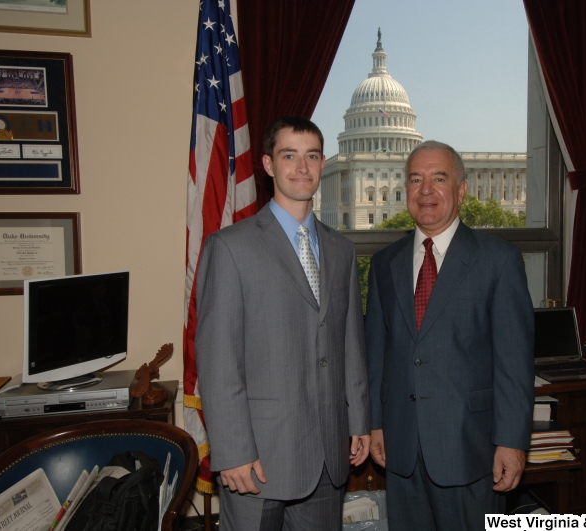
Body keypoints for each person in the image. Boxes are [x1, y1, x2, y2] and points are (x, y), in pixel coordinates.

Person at [195, 116, 370, 531]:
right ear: (269, 165)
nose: (302, 168)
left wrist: (359, 419)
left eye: (311, 156)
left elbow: (350, 344)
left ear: (323, 163)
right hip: (258, 458)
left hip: (329, 451)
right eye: (289, 156)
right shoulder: (230, 247)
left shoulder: (341, 249)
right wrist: (233, 449)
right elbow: (219, 361)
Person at [366, 140, 535, 529]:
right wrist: (376, 422)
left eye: (438, 178)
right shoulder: (384, 264)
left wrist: (512, 442)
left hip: (471, 450)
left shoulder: (499, 260)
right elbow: (376, 354)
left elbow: (514, 362)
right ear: (405, 190)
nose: (426, 190)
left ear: (460, 190)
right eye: (415, 179)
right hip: (401, 448)